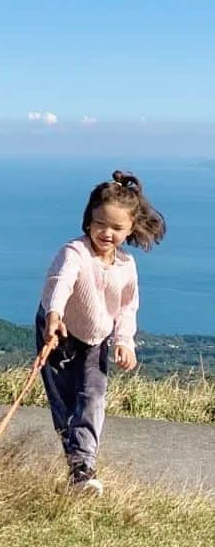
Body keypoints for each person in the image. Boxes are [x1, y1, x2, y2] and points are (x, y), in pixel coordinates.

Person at [37, 170, 165, 496]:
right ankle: (76, 463)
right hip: (59, 331)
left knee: (92, 399)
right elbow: (61, 283)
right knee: (65, 402)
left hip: (97, 339)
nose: (106, 233)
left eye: (117, 228)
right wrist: (54, 315)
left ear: (131, 228)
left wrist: (124, 341)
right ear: (88, 219)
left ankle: (83, 468)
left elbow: (127, 307)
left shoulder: (126, 265)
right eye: (99, 223)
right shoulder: (75, 253)